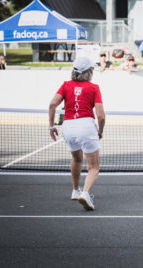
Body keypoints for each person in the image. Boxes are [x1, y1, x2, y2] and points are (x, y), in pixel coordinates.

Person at [48, 57, 105, 211]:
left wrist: (51, 126)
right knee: (93, 167)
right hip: (86, 126)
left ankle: (75, 190)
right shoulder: (93, 88)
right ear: (89, 72)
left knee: (77, 159)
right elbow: (101, 116)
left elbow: (53, 104)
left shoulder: (66, 85)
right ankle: (85, 194)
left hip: (68, 126)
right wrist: (100, 131)